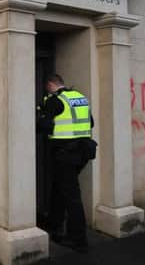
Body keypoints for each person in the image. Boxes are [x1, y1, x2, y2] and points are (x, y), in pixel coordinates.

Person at [37, 74, 94, 253]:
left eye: (47, 87)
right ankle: (54, 223)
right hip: (83, 152)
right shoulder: (79, 97)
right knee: (60, 187)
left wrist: (41, 116)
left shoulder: (56, 100)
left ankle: (78, 239)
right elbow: (90, 123)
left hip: (66, 153)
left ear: (50, 84)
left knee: (71, 195)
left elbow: (43, 127)